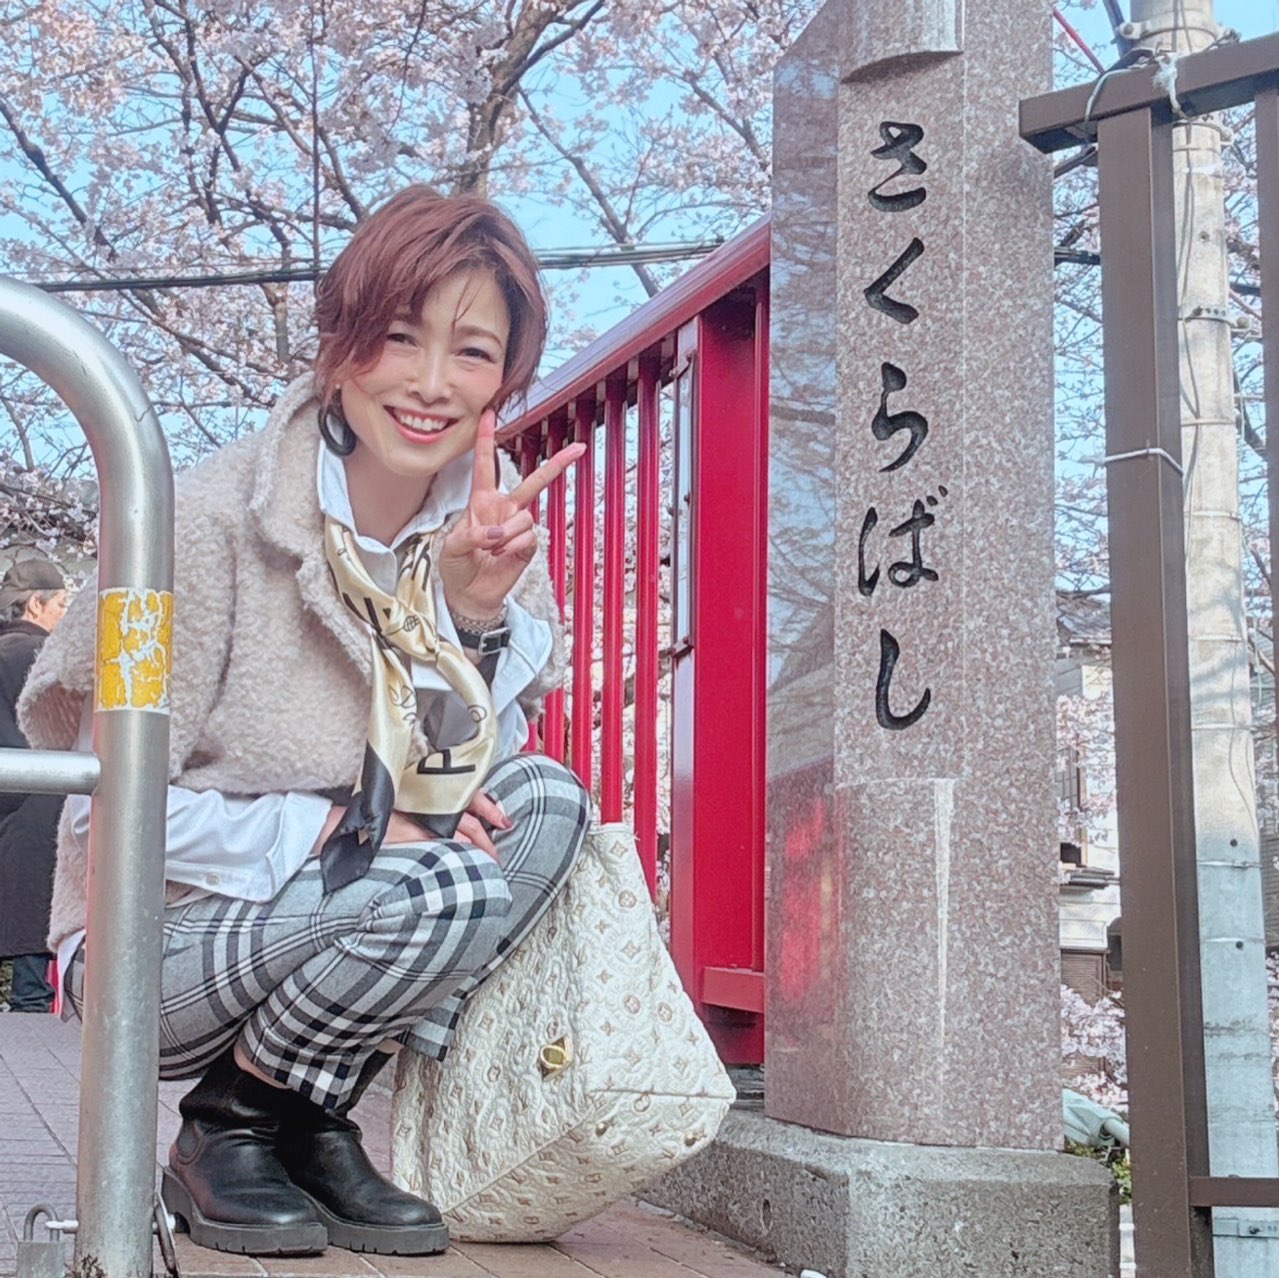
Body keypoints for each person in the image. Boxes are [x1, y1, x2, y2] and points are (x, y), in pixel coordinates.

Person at [19, 187, 592, 1258]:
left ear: (504, 381)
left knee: (545, 804)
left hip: (359, 920)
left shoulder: (488, 524)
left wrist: (470, 614)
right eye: (400, 336)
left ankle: (286, 1116)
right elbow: (112, 812)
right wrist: (340, 828)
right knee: (442, 876)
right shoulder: (196, 519)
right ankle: (229, 1128)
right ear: (339, 344)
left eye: (471, 353)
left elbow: (463, 791)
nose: (431, 383)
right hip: (154, 942)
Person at [0, 557, 68, 1013]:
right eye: (61, 604)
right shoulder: (44, 658)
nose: (65, 615)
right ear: (36, 604)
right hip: (38, 806)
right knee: (34, 935)